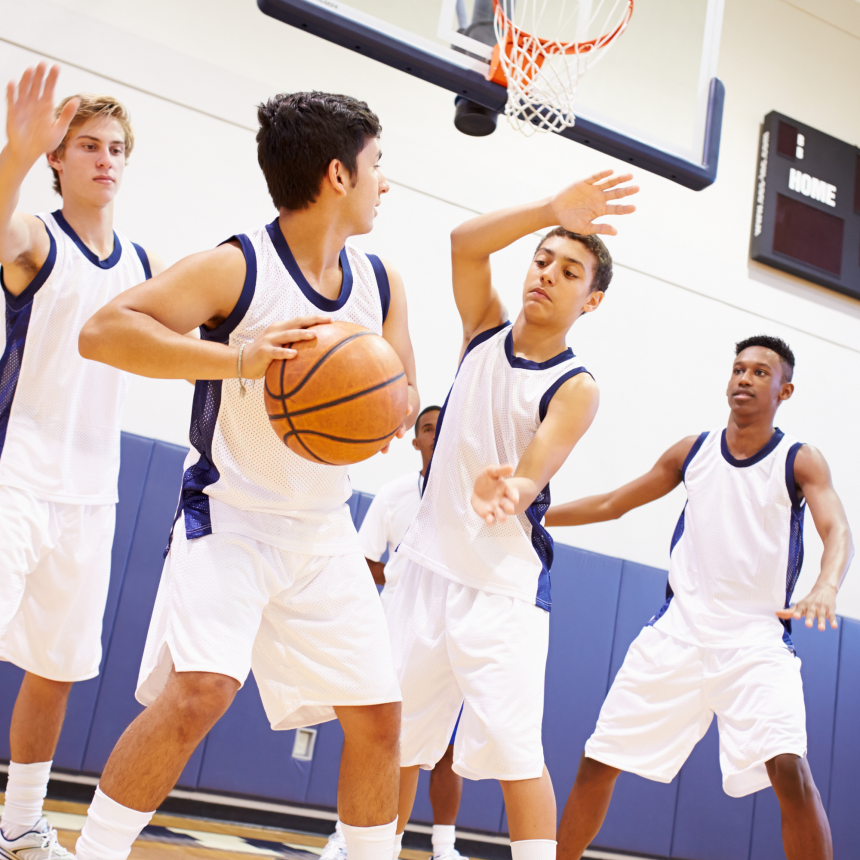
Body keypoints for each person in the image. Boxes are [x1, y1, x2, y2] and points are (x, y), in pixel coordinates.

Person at [74, 91, 419, 860]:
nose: (383, 183)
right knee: (200, 694)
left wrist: (388, 410)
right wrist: (240, 357)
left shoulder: (382, 282)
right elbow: (104, 333)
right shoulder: (239, 266)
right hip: (229, 516)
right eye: (376, 166)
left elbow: (401, 394)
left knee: (379, 716)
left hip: (324, 529)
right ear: (338, 174)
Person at [385, 170, 639, 860]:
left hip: (503, 589)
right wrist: (549, 211)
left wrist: (514, 490)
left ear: (594, 300)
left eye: (570, 271)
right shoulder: (481, 332)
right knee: (395, 741)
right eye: (543, 260)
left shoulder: (576, 386)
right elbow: (464, 243)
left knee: (515, 756)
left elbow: (538, 465)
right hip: (426, 570)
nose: (548, 275)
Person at [547, 336, 853, 860]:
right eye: (738, 368)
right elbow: (614, 502)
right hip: (678, 634)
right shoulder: (693, 450)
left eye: (760, 372)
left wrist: (826, 585)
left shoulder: (800, 460)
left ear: (786, 390)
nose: (745, 378)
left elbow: (838, 528)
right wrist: (534, 511)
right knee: (598, 760)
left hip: (756, 642)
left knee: (790, 771)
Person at [0, 64, 162, 860]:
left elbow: (194, 340)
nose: (105, 158)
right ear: (60, 161)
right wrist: (16, 153)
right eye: (88, 146)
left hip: (94, 490)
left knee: (56, 667)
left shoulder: (143, 264)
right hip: (16, 476)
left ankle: (21, 822)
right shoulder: (37, 233)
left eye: (116, 147)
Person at [323, 405, 469, 860]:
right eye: (427, 427)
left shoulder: (470, 495)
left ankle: (442, 847)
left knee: (443, 745)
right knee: (379, 736)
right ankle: (350, 836)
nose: (436, 433)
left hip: (452, 630)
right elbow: (365, 560)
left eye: (444, 426)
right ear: (415, 440)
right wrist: (405, 574)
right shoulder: (395, 494)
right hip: (394, 626)